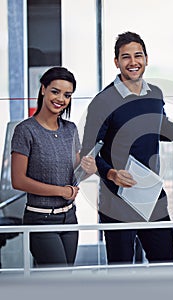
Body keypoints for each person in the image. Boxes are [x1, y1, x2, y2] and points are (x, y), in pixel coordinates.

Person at [81, 31, 173, 264]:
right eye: (125, 57)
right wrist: (111, 173)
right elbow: (88, 151)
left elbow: (162, 129)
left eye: (138, 55)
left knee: (165, 263)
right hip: (116, 200)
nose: (133, 62)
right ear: (116, 62)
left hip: (151, 196)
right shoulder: (103, 101)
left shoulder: (155, 94)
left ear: (147, 59)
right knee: (122, 272)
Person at [11, 67, 96, 267]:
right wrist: (61, 191)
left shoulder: (70, 129)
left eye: (67, 95)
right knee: (57, 276)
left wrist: (87, 169)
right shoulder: (25, 130)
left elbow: (73, 175)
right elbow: (18, 180)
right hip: (40, 219)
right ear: (43, 90)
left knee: (63, 280)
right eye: (55, 91)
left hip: (69, 218)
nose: (61, 99)